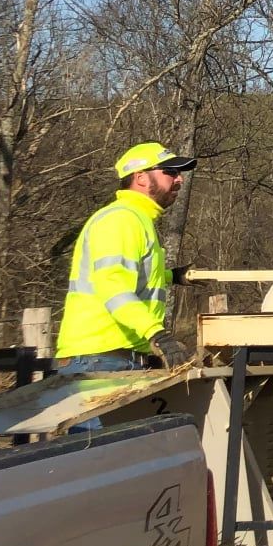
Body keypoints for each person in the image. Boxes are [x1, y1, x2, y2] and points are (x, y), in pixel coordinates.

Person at [56, 141, 197, 374]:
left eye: (179, 173)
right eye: (170, 172)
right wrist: (157, 334)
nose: (179, 179)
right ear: (141, 178)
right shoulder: (121, 219)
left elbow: (136, 275)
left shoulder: (137, 219)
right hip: (98, 359)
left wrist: (174, 276)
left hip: (112, 358)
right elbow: (113, 285)